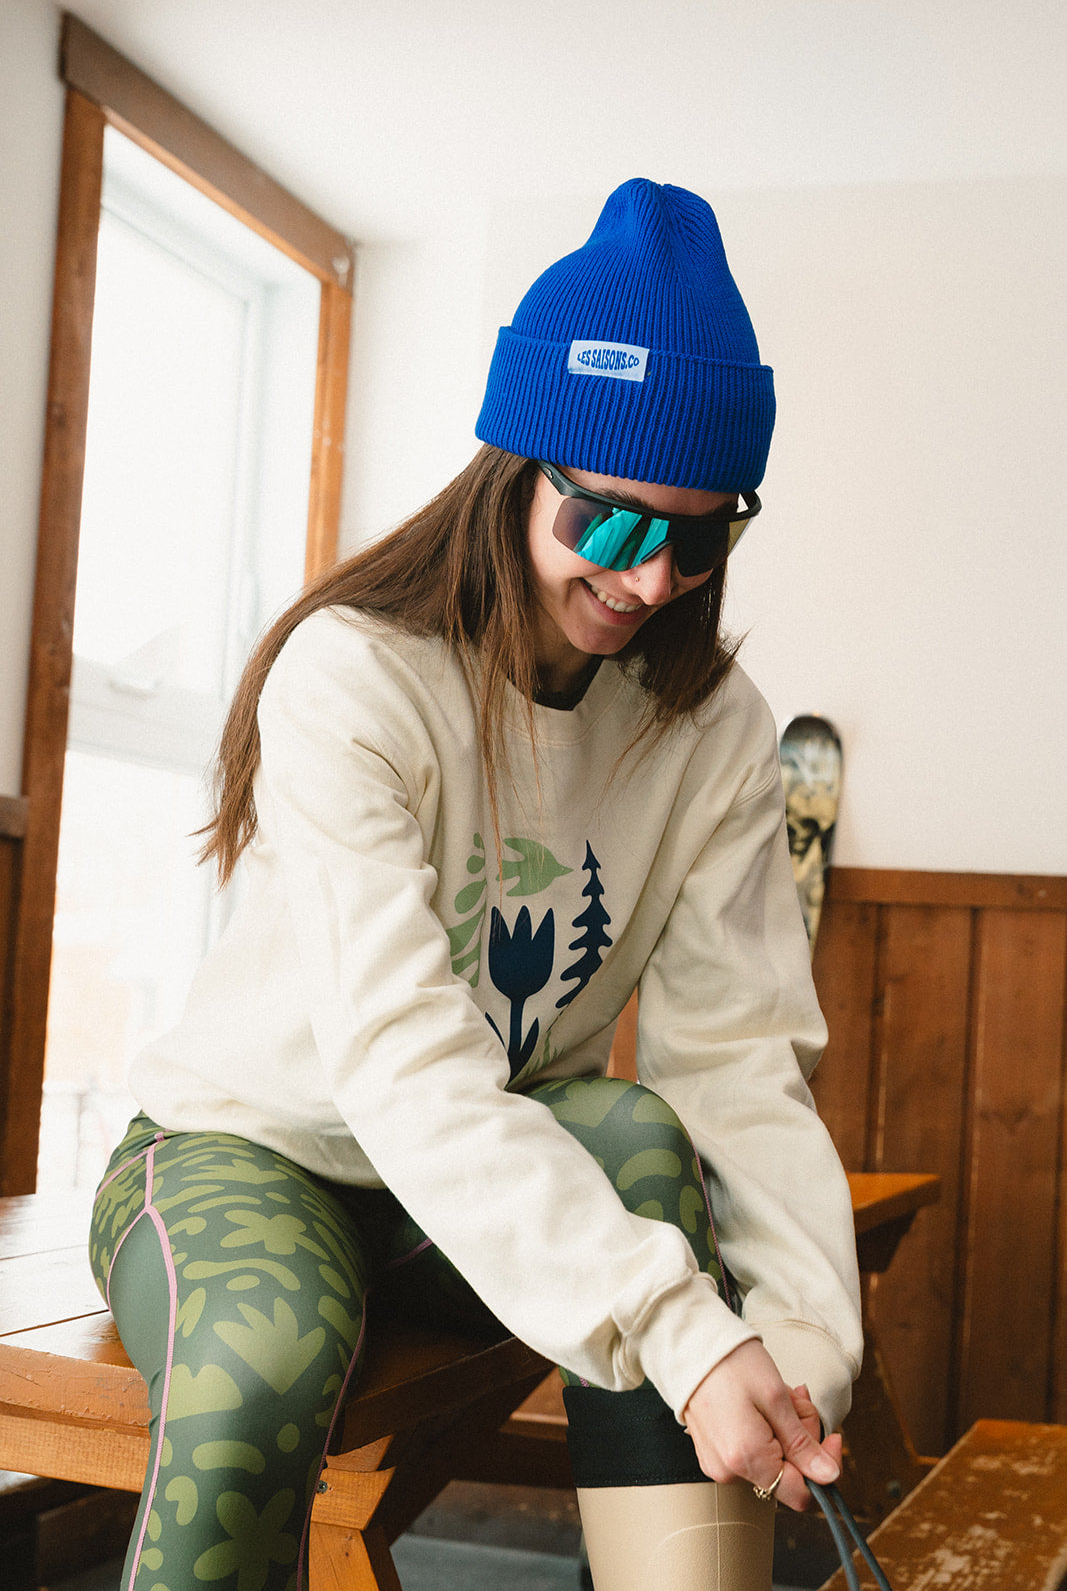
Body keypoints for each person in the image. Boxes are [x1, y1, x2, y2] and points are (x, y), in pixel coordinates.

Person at [89, 177, 862, 1591]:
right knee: (263, 1368)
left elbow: (739, 1061)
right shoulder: (355, 674)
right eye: (615, 525)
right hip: (253, 1150)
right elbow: (401, 1062)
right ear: (516, 468)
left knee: (637, 1137)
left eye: (701, 539)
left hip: (472, 1173)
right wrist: (684, 1335)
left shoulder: (719, 731)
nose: (651, 581)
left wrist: (798, 1341)